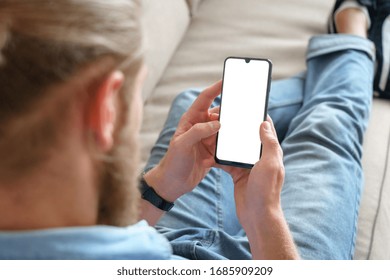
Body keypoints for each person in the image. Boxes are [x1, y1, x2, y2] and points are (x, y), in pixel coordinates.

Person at [0, 0, 388, 260]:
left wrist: (160, 188)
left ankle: (341, 61)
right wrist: (264, 216)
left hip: (155, 233)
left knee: (198, 106)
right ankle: (351, 36)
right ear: (104, 109)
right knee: (327, 126)